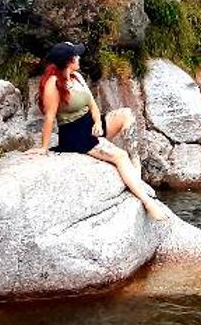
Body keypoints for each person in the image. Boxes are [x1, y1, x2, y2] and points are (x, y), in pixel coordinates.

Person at [26, 41, 170, 221]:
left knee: (126, 114)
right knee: (119, 156)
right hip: (76, 135)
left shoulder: (76, 77)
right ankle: (148, 203)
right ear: (69, 61)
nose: (79, 58)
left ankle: (136, 173)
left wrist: (98, 122)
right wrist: (43, 147)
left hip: (91, 125)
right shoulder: (52, 84)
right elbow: (49, 117)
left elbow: (92, 103)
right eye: (76, 56)